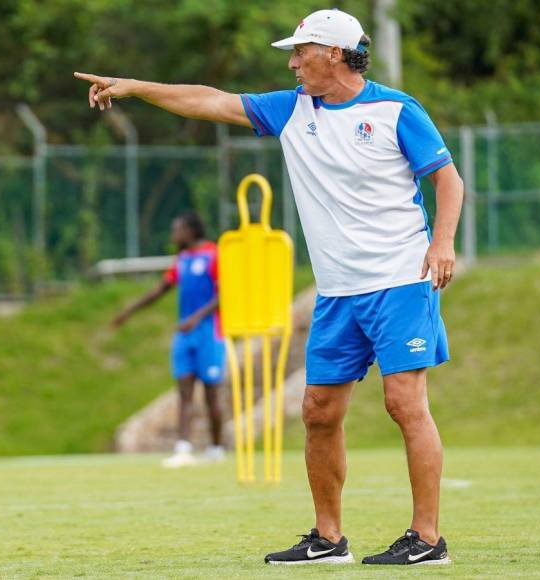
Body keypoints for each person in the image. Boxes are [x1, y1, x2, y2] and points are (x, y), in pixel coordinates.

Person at [76, 7, 463, 566]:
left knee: (405, 404)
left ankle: (427, 540)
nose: (291, 62)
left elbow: (447, 181)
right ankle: (328, 540)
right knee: (318, 412)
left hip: (400, 280)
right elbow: (208, 99)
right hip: (335, 293)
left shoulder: (395, 110)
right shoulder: (290, 110)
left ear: (334, 53)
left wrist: (442, 242)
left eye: (300, 51)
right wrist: (136, 87)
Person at [111, 212, 226, 468]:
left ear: (192, 230)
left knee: (211, 395)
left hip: (209, 333)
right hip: (184, 335)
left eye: (178, 230)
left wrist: (196, 318)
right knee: (184, 393)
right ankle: (183, 448)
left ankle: (217, 448)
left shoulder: (214, 254)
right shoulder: (182, 260)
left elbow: (225, 293)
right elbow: (159, 290)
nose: (174, 235)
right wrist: (128, 311)